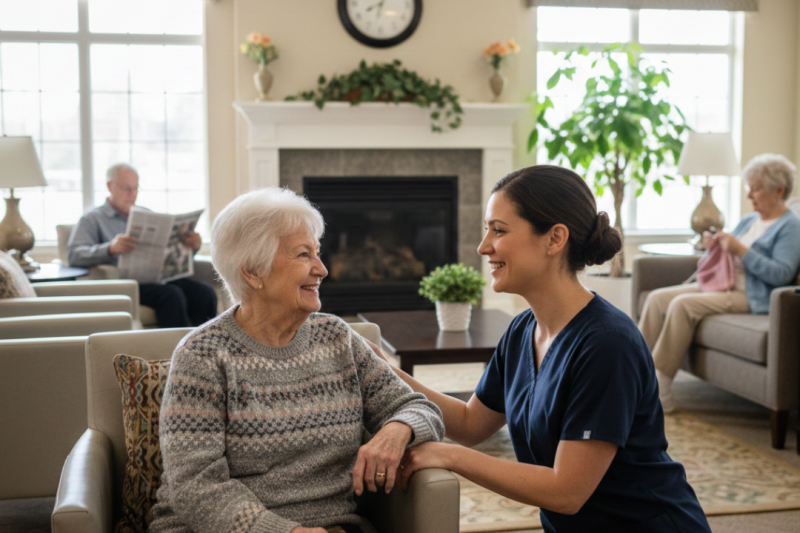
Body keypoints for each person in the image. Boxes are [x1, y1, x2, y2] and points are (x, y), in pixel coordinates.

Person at [367, 165, 711, 533]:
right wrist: (380, 369)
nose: (484, 247)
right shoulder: (522, 330)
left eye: (498, 230)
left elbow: (567, 491)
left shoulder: (608, 345)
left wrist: (449, 455)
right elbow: (471, 423)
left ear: (554, 238)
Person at [148, 188, 444, 533]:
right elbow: (196, 487)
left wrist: (397, 429)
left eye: (317, 253)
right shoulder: (202, 356)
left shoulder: (337, 337)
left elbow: (422, 409)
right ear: (252, 272)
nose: (322, 269)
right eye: (304, 255)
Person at [639, 153, 800, 413]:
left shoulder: (791, 227)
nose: (749, 196)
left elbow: (781, 273)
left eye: (755, 189)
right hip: (721, 283)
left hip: (752, 293)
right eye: (750, 188)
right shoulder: (750, 220)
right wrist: (714, 244)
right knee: (657, 298)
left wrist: (740, 251)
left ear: (779, 190)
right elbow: (726, 252)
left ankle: (662, 390)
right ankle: (633, 374)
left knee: (683, 305)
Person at [67, 163, 217, 328]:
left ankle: (206, 350)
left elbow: (166, 252)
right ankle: (175, 352)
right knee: (171, 295)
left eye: (136, 188)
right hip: (125, 283)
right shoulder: (93, 219)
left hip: (157, 279)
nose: (132, 194)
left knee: (204, 292)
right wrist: (110, 249)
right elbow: (74, 255)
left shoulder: (146, 213)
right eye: (127, 188)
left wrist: (191, 247)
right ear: (110, 187)